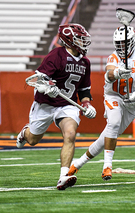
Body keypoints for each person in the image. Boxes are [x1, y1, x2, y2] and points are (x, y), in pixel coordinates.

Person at [68, 26, 135, 181]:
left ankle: (77, 163)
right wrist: (117, 73)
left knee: (108, 135)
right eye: (118, 43)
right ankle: (107, 167)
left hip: (133, 103)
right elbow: (109, 75)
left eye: (124, 42)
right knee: (113, 123)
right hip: (114, 95)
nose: (121, 46)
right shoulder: (113, 57)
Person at [16, 23, 97, 190]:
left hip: (67, 104)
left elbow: (84, 90)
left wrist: (87, 104)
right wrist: (47, 87)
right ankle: (25, 132)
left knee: (70, 134)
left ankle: (63, 176)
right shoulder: (56, 55)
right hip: (45, 104)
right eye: (80, 39)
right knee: (33, 140)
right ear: (69, 40)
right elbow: (37, 79)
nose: (83, 43)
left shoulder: (85, 62)